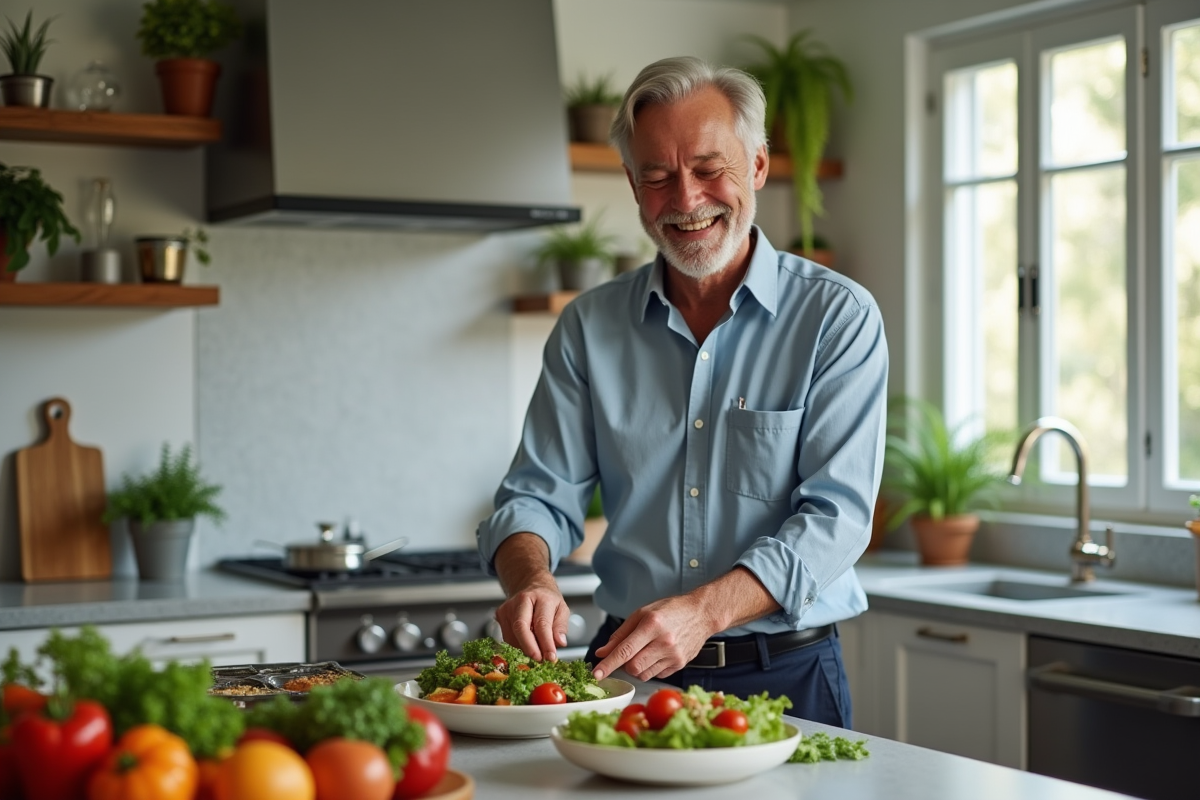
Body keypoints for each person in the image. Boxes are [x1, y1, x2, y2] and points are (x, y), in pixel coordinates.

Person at [475, 55, 887, 728]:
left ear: (756, 166)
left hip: (786, 676)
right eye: (659, 177)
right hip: (627, 677)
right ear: (635, 188)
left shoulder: (836, 318)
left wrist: (705, 611)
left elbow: (835, 520)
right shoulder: (589, 326)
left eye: (708, 169)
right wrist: (532, 580)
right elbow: (534, 495)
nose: (687, 200)